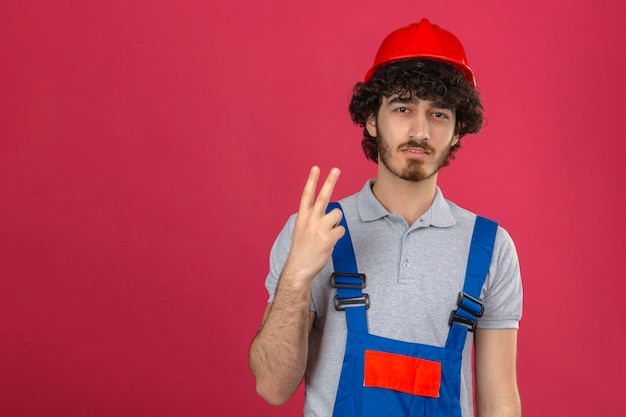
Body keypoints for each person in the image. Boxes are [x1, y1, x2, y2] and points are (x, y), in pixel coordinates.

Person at [249, 18, 522, 417]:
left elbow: (500, 401)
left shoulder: (491, 247)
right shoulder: (313, 231)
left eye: (438, 114)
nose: (419, 131)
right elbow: (272, 388)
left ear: (458, 130)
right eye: (402, 108)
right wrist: (297, 275)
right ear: (373, 120)